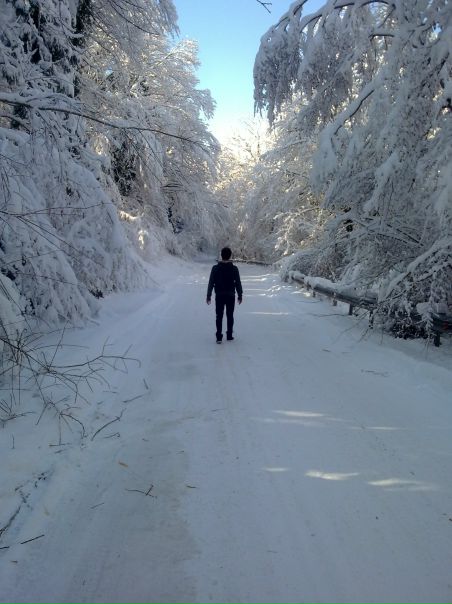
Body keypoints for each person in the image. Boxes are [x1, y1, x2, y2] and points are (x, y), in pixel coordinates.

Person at [206, 247, 243, 343]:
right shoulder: (234, 269)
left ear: (221, 255)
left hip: (219, 295)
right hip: (231, 295)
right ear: (230, 256)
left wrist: (208, 295)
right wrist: (240, 295)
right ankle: (229, 335)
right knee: (230, 315)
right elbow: (238, 283)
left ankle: (219, 337)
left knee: (219, 316)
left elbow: (211, 282)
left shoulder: (215, 268)